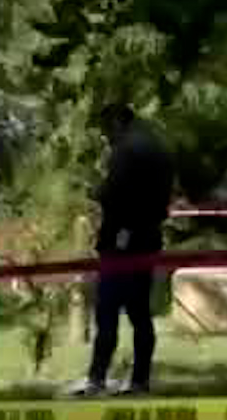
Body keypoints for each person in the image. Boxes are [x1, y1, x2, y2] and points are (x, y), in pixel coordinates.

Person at [70, 105, 176, 397]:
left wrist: (97, 192)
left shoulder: (126, 151)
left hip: (121, 240)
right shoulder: (158, 148)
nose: (105, 136)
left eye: (106, 128)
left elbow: (115, 193)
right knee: (140, 312)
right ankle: (140, 380)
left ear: (117, 122)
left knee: (107, 311)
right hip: (148, 236)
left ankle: (97, 379)